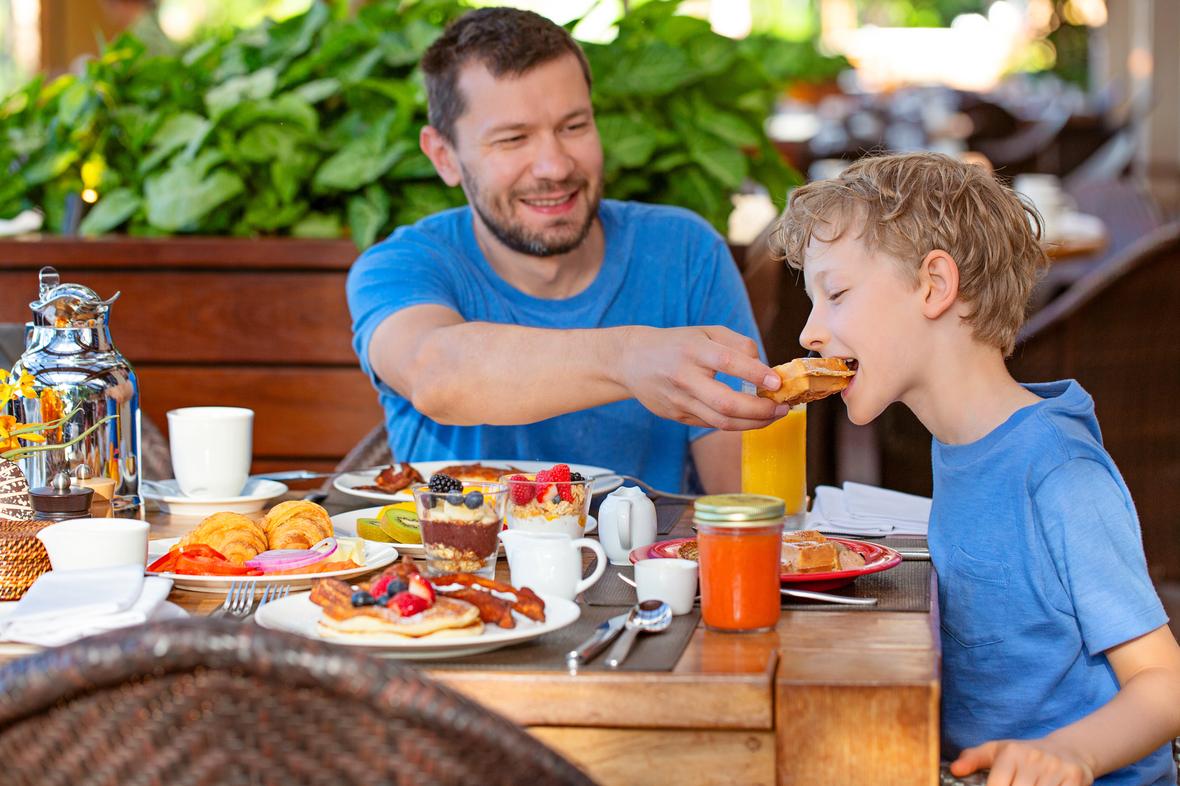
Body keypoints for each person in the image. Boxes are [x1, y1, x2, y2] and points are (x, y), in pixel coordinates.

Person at [772, 151, 1180, 785]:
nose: (808, 332)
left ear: (935, 286)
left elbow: (1165, 683)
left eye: (837, 294)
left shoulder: (1060, 472)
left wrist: (1073, 754)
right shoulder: (961, 440)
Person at [346, 7, 785, 493]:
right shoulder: (402, 264)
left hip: (641, 565)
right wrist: (629, 357)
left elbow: (746, 500)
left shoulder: (684, 250)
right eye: (513, 139)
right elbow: (436, 373)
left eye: (574, 127)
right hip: (463, 569)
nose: (554, 166)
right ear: (444, 157)